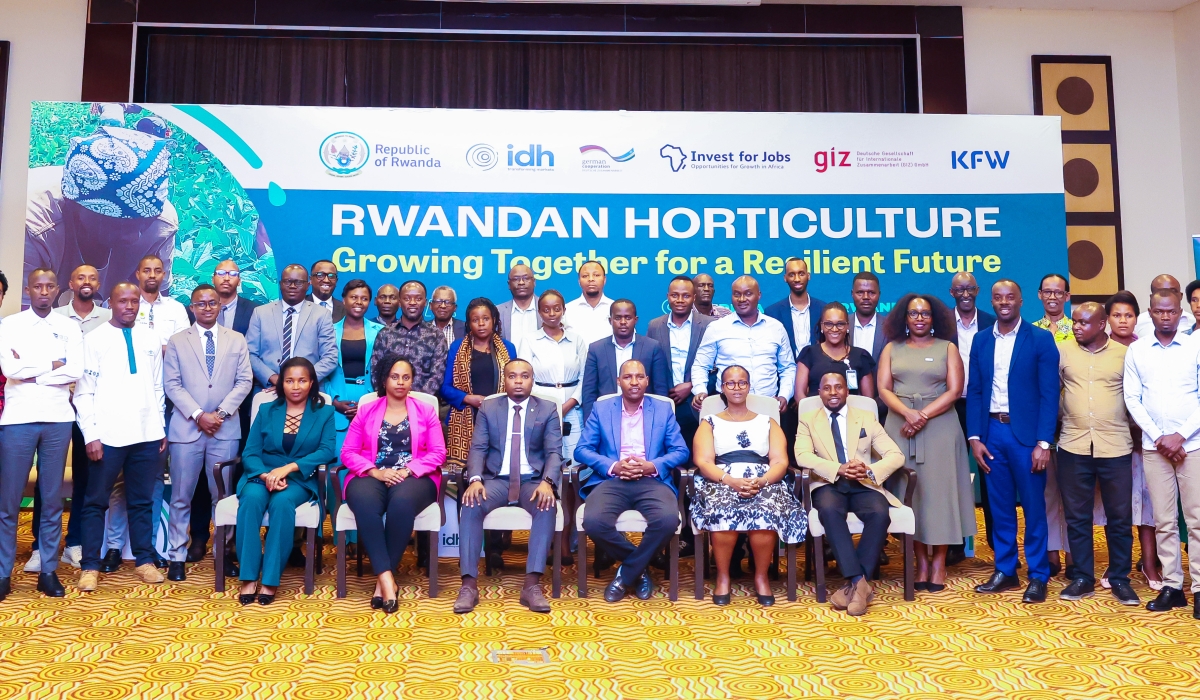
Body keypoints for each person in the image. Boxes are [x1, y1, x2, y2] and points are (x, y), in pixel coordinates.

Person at [24, 108, 177, 308]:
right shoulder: (33, 225)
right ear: (74, 206)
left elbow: (157, 306)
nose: (134, 237)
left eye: (144, 223)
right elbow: (21, 322)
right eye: (120, 224)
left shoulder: (160, 224)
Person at [966, 280, 1060, 604]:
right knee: (999, 507)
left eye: (1010, 297)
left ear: (1020, 301)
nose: (1004, 302)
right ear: (991, 301)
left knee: (1034, 508)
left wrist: (1044, 443)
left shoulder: (1041, 339)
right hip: (993, 434)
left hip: (1027, 438)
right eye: (998, 297)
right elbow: (975, 390)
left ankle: (1038, 575)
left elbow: (1050, 395)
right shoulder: (980, 341)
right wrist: (975, 437)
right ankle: (1005, 570)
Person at [877, 294, 975, 592]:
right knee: (913, 495)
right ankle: (920, 562)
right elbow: (883, 388)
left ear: (935, 318)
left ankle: (939, 563)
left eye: (925, 314)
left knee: (940, 495)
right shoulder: (892, 348)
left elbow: (956, 390)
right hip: (899, 425)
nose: (919, 318)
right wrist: (908, 413)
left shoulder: (948, 348)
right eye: (913, 313)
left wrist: (922, 415)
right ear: (903, 318)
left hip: (940, 427)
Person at [75, 282, 168, 592]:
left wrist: (160, 428)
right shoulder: (95, 338)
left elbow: (157, 387)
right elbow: (84, 392)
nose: (129, 306)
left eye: (134, 301)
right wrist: (91, 435)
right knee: (95, 502)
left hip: (146, 434)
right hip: (107, 435)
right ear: (111, 303)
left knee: (141, 501)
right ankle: (90, 566)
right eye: (122, 301)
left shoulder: (150, 337)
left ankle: (144, 560)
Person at [454, 359, 562, 614]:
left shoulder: (546, 409)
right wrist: (475, 479)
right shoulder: (490, 408)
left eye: (524, 376)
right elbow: (478, 448)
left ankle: (532, 585)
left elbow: (555, 453)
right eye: (512, 376)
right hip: (496, 480)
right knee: (470, 503)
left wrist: (548, 482)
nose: (518, 382)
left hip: (532, 481)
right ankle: (468, 585)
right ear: (504, 380)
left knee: (546, 506)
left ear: (532, 380)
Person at [690, 365, 804, 606]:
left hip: (764, 479)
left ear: (749, 386)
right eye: (730, 383)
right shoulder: (709, 422)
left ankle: (761, 577)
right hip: (721, 478)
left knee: (766, 509)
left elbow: (780, 460)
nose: (737, 387)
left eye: (742, 382)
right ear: (722, 388)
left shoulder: (767, 421)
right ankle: (723, 577)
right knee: (722, 508)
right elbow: (703, 461)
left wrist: (762, 481)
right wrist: (730, 481)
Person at [575, 360, 689, 602]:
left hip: (652, 480)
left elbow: (680, 451)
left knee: (668, 520)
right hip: (613, 479)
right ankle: (641, 566)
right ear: (619, 381)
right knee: (594, 521)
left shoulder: (662, 409)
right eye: (628, 377)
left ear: (647, 380)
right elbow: (582, 450)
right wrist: (613, 466)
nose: (634, 382)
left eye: (639, 377)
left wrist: (653, 465)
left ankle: (626, 574)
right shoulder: (602, 408)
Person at [0, 269, 83, 600]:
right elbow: (10, 370)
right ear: (28, 289)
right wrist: (53, 365)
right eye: (38, 286)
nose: (44, 291)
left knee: (51, 501)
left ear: (57, 289)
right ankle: (3, 573)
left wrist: (32, 370)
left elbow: (74, 369)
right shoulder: (11, 325)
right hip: (18, 420)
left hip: (58, 419)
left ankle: (48, 571)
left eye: (50, 286)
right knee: (8, 503)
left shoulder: (69, 326)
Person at [796, 371, 905, 616]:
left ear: (847, 391)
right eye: (827, 388)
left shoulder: (866, 418)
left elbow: (896, 455)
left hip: (863, 483)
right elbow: (802, 456)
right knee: (830, 511)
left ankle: (855, 585)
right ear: (819, 392)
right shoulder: (808, 420)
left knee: (880, 513)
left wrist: (869, 470)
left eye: (838, 387)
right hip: (828, 483)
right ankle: (859, 581)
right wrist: (838, 469)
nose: (833, 393)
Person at [341, 356, 446, 614]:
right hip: (372, 474)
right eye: (395, 377)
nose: (400, 382)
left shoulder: (425, 411)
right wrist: (375, 472)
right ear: (384, 379)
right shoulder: (367, 410)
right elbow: (348, 452)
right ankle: (387, 579)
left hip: (414, 477)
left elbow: (438, 452)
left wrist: (408, 470)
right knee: (365, 504)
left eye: (406, 377)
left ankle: (381, 583)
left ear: (412, 381)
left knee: (401, 504)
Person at [162, 284, 253, 582]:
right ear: (192, 307)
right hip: (187, 428)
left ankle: (223, 554)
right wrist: (199, 415)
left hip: (225, 429)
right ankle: (176, 554)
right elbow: (172, 384)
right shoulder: (177, 341)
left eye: (212, 303)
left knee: (223, 497)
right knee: (181, 496)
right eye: (201, 304)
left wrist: (221, 414)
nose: (207, 308)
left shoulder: (236, 340)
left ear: (219, 306)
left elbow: (244, 381)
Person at [1055, 302, 1138, 605]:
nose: (1076, 327)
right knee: (1077, 517)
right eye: (1075, 322)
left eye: (1083, 323)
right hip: (1073, 444)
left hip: (1115, 445)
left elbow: (1135, 398)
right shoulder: (1062, 351)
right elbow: (1051, 391)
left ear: (1102, 324)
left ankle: (1119, 578)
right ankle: (1082, 577)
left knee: (1119, 517)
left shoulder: (1125, 354)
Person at [1124, 289, 1200, 618]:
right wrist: (1159, 437)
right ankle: (1173, 585)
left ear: (1180, 311)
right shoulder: (1138, 350)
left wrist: (1181, 434)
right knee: (1164, 521)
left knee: (1197, 521)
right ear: (1151, 313)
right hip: (1155, 449)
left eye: (1170, 311)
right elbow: (1132, 398)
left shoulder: (1196, 345)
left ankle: (1199, 587)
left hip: (1192, 445)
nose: (1165, 316)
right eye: (1159, 311)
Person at [236, 358, 335, 605]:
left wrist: (288, 468)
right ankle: (248, 577)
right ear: (282, 383)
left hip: (299, 479)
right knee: (250, 500)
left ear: (312, 382)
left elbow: (326, 450)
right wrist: (265, 475)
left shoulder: (324, 412)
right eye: (290, 380)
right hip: (262, 475)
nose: (296, 386)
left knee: (282, 504)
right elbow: (250, 452)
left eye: (302, 380)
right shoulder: (267, 410)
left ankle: (270, 580)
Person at [186, 259, 262, 564]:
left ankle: (229, 542)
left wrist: (224, 410)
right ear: (213, 277)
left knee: (230, 478)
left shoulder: (252, 310)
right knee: (199, 482)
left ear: (239, 279)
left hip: (238, 411)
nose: (226, 277)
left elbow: (250, 360)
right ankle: (199, 538)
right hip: (198, 414)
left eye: (232, 273)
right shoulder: (192, 310)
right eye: (221, 272)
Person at [52, 265, 113, 569]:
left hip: (92, 410)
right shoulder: (56, 317)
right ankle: (42, 546)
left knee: (86, 480)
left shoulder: (107, 318)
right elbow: (49, 362)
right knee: (51, 480)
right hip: (56, 405)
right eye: (81, 277)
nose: (86, 282)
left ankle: (75, 542)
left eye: (92, 277)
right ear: (70, 282)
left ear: (98, 283)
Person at [1103, 291, 1162, 589]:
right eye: (1116, 315)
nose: (1123, 320)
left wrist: (1145, 431)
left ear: (1137, 318)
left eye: (1128, 315)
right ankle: (1117, 565)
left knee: (1148, 505)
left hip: (1145, 439)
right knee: (1117, 506)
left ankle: (1150, 564)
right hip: (1112, 440)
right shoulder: (1099, 348)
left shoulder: (1147, 348)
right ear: (1107, 319)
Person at [691, 276, 795, 415]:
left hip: (768, 405)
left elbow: (788, 367)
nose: (741, 299)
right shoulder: (717, 327)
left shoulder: (776, 327)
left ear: (759, 295)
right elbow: (701, 365)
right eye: (737, 294)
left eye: (748, 293)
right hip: (726, 406)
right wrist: (700, 391)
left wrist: (784, 396)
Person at [949, 271, 996, 555]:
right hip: (950, 408)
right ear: (951, 292)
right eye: (959, 289)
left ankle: (997, 544)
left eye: (970, 289)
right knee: (952, 475)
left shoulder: (991, 323)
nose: (965, 294)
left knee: (991, 474)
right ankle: (954, 545)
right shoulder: (940, 324)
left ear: (977, 291)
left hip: (985, 407)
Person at [441, 298, 518, 471]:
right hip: (466, 415)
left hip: (501, 415)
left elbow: (515, 384)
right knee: (467, 474)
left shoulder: (508, 348)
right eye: (475, 320)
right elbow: (445, 388)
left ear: (494, 321)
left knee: (497, 470)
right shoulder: (457, 347)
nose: (481, 324)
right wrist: (469, 398)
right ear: (469, 323)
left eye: (486, 319)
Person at [646, 276, 715, 465]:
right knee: (666, 457)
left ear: (694, 297)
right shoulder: (655, 325)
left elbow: (718, 368)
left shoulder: (710, 325)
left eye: (685, 296)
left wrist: (691, 386)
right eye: (675, 295)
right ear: (667, 297)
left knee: (697, 458)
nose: (679, 300)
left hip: (696, 402)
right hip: (664, 401)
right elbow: (651, 365)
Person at [1031, 273, 1073, 577]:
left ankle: (1075, 554)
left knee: (1073, 493)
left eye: (1059, 292)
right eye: (1048, 292)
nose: (1053, 297)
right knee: (1045, 492)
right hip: (1042, 423)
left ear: (1067, 297)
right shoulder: (1031, 332)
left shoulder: (1080, 328)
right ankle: (1051, 552)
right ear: (1039, 295)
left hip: (1073, 421)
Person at [517, 290, 588, 458]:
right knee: (544, 457)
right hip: (540, 408)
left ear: (564, 310)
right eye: (546, 309)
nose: (552, 314)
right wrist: (550, 408)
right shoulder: (529, 340)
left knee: (575, 459)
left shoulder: (576, 340)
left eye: (557, 309)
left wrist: (568, 405)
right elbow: (524, 378)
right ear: (539, 312)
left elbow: (585, 377)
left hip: (573, 410)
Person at [246, 264, 339, 392]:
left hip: (308, 390)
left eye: (299, 282)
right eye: (288, 281)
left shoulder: (321, 314)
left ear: (308, 285)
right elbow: (250, 354)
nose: (293, 286)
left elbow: (330, 357)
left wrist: (302, 382)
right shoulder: (260, 313)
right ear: (280, 284)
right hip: (267, 388)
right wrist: (274, 379)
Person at [580, 299, 670, 421]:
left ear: (635, 320)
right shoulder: (596, 349)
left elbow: (660, 390)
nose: (623, 322)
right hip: (606, 417)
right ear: (610, 320)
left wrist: (658, 421)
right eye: (617, 318)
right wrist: (590, 422)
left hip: (644, 416)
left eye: (628, 318)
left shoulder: (652, 347)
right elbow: (589, 391)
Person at [324, 280, 385, 455]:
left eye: (364, 298)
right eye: (354, 297)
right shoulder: (328, 330)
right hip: (336, 398)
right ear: (344, 300)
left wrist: (370, 402)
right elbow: (320, 371)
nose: (359, 302)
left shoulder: (381, 331)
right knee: (338, 456)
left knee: (368, 454)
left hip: (370, 399)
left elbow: (384, 372)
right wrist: (334, 402)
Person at [369, 280, 446, 396]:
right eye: (407, 298)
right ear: (400, 302)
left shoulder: (436, 336)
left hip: (422, 405)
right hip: (389, 405)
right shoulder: (385, 334)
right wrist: (391, 400)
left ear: (425, 302)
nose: (412, 303)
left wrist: (414, 401)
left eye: (418, 299)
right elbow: (376, 372)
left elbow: (437, 376)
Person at [795, 302, 877, 400]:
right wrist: (811, 415)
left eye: (840, 324)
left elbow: (868, 400)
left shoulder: (861, 356)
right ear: (822, 326)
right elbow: (799, 395)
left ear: (847, 326)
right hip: (815, 413)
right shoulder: (809, 353)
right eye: (829, 324)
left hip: (852, 414)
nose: (834, 329)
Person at [764, 258, 826, 360]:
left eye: (801, 274)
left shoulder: (823, 309)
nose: (797, 279)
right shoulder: (772, 313)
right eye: (792, 274)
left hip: (818, 372)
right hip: (786, 373)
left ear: (808, 276)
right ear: (785, 278)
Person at [563, 261, 614, 345]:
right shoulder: (567, 310)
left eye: (596, 275)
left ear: (604, 280)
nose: (591, 279)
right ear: (579, 281)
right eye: (585, 276)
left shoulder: (615, 308)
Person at [497, 264, 541, 346]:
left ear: (534, 282)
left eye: (526, 278)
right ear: (509, 284)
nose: (521, 282)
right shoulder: (498, 312)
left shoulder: (547, 309)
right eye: (516, 279)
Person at [849, 272, 886, 363]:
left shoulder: (890, 327)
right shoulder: (841, 325)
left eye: (871, 293)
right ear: (852, 294)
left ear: (879, 295)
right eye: (860, 292)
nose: (866, 297)